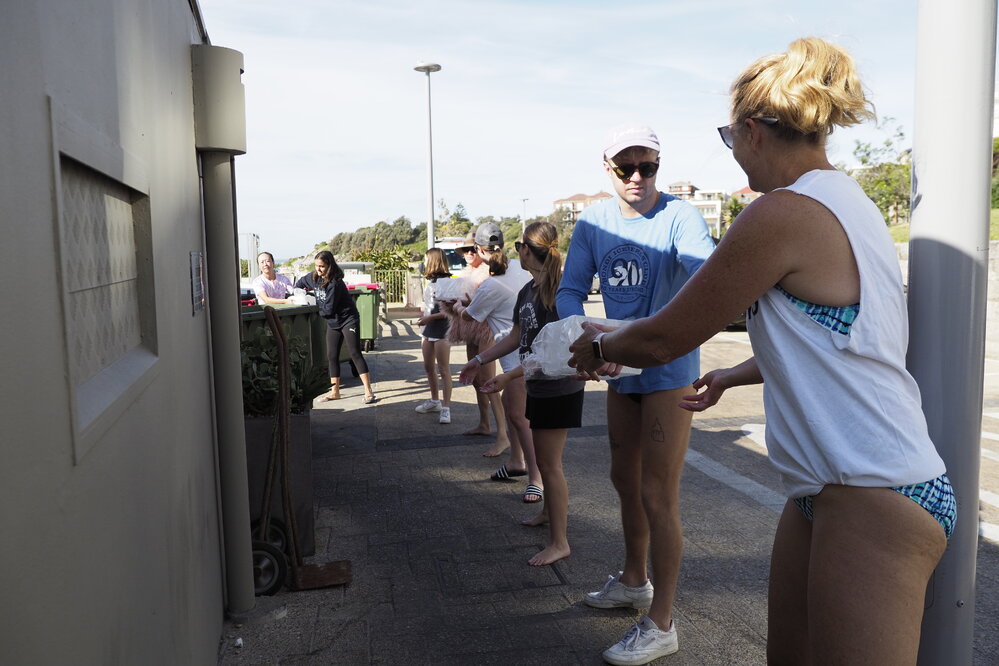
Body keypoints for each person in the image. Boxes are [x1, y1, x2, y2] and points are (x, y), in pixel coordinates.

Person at [569, 37, 956, 665]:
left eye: (730, 138)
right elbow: (842, 337)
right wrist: (735, 374)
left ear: (752, 132)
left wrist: (594, 343)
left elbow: (667, 335)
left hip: (872, 487)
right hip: (830, 487)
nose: (735, 156)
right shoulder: (847, 200)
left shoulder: (781, 212)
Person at [556, 123, 715, 664]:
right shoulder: (593, 222)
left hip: (668, 368)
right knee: (623, 477)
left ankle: (662, 622)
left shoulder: (681, 217)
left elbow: (701, 286)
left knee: (657, 493)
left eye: (648, 166)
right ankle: (633, 578)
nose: (638, 177)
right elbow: (570, 289)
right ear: (609, 171)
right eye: (626, 167)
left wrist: (630, 337)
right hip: (617, 368)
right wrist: (583, 332)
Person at [460, 221, 584, 566]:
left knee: (549, 465)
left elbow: (556, 353)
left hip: (559, 386)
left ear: (527, 250)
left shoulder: (561, 294)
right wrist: (480, 359)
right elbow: (517, 336)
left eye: (519, 247)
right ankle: (549, 514)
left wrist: (508, 376)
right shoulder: (529, 290)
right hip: (539, 384)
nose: (517, 253)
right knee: (544, 462)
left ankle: (559, 542)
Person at [451, 223, 538, 501]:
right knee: (516, 412)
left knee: (519, 417)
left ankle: (536, 478)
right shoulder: (518, 269)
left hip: (517, 356)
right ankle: (515, 461)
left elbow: (470, 316)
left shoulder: (491, 284)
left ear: (478, 249)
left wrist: (458, 307)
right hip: (527, 347)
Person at [441, 228, 512, 456]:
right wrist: (451, 304)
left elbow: (485, 304)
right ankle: (485, 423)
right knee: (475, 380)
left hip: (486, 330)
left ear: (481, 249)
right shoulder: (466, 273)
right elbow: (464, 308)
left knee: (489, 381)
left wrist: (464, 304)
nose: (469, 253)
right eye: (465, 250)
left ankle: (503, 435)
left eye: (472, 249)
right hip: (471, 329)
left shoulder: (489, 271)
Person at [296, 250, 377, 404]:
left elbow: (329, 309)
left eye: (322, 266)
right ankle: (335, 392)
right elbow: (299, 283)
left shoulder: (335, 283)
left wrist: (312, 302)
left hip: (348, 320)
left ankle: (368, 391)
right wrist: (299, 293)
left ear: (330, 266)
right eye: (316, 266)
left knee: (354, 353)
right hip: (333, 322)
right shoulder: (313, 277)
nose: (318, 269)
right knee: (332, 356)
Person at [415, 248, 454, 424]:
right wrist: (424, 314)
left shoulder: (447, 282)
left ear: (433, 261)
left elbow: (450, 311)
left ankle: (446, 408)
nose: (424, 263)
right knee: (428, 367)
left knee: (444, 369)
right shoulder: (430, 282)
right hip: (428, 330)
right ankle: (434, 401)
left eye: (426, 259)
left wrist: (429, 317)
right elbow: (429, 305)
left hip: (442, 330)